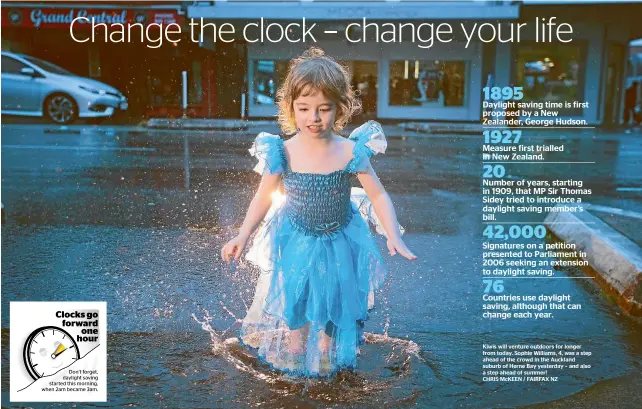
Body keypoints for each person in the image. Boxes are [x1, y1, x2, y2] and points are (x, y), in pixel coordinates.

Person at [220, 47, 417, 378]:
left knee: (331, 295)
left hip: (339, 236)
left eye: (324, 109)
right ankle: (296, 346)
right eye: (304, 108)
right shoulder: (283, 151)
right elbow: (264, 196)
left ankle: (325, 350)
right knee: (295, 294)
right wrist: (243, 233)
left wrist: (393, 233)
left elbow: (379, 194)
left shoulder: (350, 151)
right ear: (290, 108)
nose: (314, 117)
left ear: (340, 108)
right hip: (295, 233)